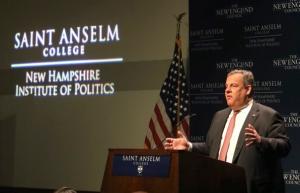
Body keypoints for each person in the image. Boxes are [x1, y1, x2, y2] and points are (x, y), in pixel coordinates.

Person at [164, 69, 291, 193]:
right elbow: (211, 148)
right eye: (226, 86)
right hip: (218, 184)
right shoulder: (219, 116)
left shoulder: (267, 115)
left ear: (248, 89)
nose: (227, 90)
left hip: (251, 187)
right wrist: (189, 146)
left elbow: (284, 146)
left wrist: (260, 141)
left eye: (234, 86)